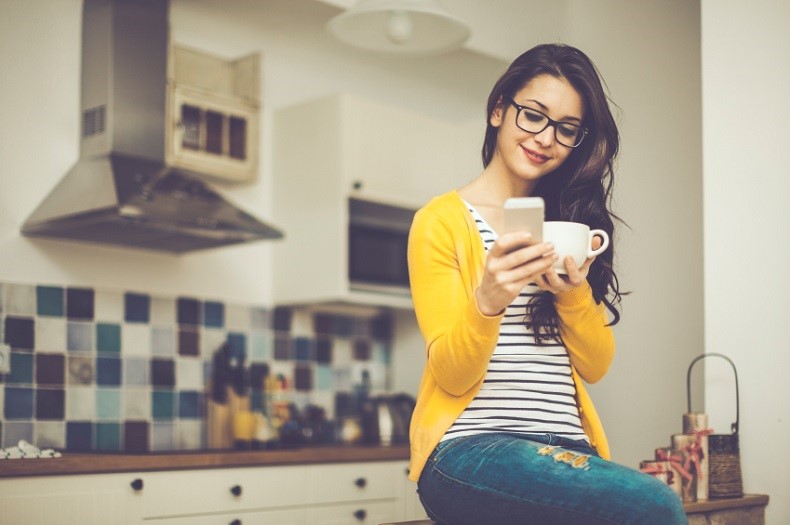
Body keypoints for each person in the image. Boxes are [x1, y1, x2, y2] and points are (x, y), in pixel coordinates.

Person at [406, 43, 687, 524]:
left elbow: (596, 365)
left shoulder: (569, 228)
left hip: (566, 445)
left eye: (566, 129)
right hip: (471, 449)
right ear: (499, 109)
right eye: (533, 115)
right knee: (655, 504)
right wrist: (488, 301)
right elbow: (451, 375)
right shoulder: (441, 221)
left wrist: (573, 292)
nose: (545, 138)